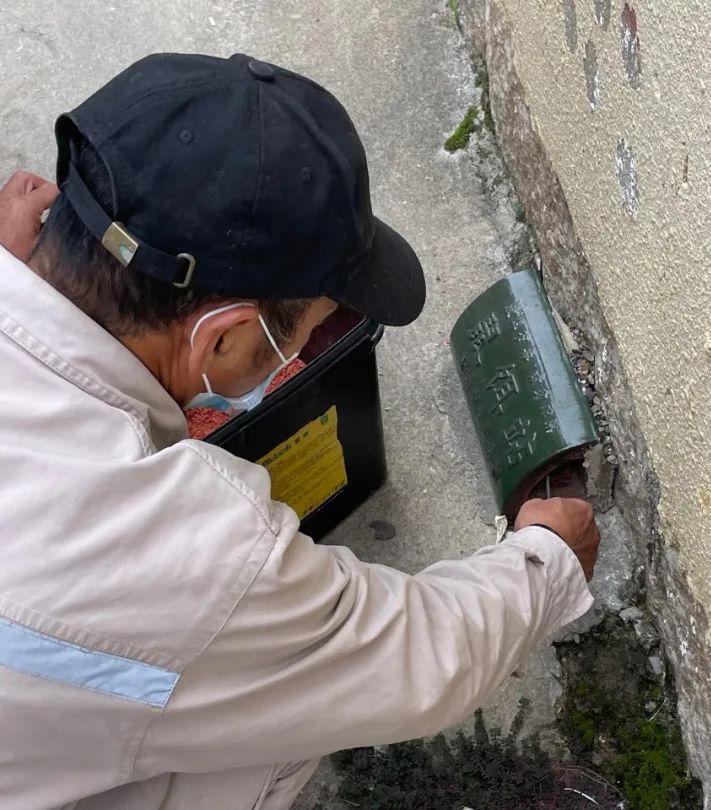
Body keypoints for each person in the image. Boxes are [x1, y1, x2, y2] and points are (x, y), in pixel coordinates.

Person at [0, 52, 600, 810]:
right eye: (303, 336)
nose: (302, 358)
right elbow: (410, 658)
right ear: (220, 339)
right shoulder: (189, 550)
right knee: (277, 723)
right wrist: (546, 560)